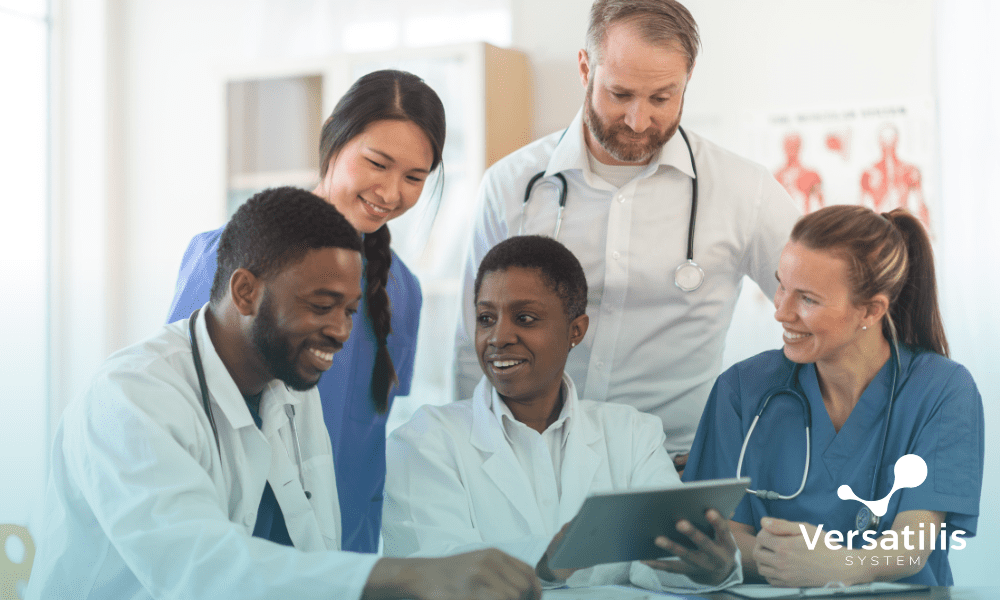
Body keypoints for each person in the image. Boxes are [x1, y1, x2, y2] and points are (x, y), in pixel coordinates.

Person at [27, 188, 541, 600]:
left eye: (348, 310)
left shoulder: (289, 384)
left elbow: (314, 536)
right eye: (321, 306)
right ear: (245, 291)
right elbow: (200, 572)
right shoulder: (132, 399)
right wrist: (401, 576)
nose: (341, 331)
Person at [453, 0, 799, 469]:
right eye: (620, 94)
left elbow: (817, 309)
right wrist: (473, 458)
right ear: (584, 68)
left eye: (661, 98)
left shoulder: (746, 191)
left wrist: (761, 421)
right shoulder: (511, 186)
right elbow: (470, 344)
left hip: (676, 464)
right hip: (533, 460)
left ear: (687, 79)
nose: (639, 120)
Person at [167, 69, 444, 552]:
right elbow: (173, 416)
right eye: (377, 163)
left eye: (414, 177)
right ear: (333, 134)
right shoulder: (226, 258)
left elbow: (368, 449)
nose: (392, 192)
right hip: (232, 550)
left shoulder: (402, 290)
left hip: (342, 558)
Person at [385, 235, 741, 592]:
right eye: (485, 318)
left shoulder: (631, 434)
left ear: (575, 330)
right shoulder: (426, 439)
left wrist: (704, 568)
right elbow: (434, 566)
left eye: (525, 318)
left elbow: (654, 562)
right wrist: (544, 564)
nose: (499, 336)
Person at [682, 205, 984, 587]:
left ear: (871, 311)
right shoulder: (742, 389)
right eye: (781, 286)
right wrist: (780, 559)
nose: (782, 312)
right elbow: (723, 535)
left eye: (807, 299)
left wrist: (846, 567)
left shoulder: (942, 389)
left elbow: (914, 541)